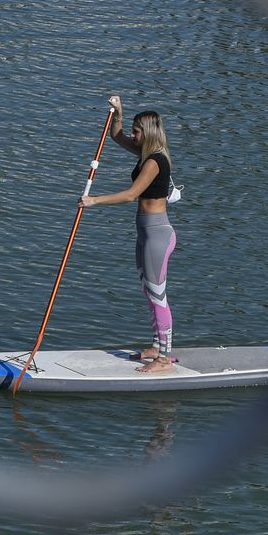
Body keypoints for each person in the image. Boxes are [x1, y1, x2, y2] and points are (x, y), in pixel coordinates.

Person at [80, 95, 178, 375]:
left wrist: (94, 201)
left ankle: (165, 358)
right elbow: (115, 135)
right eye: (133, 130)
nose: (133, 135)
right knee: (148, 290)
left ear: (149, 132)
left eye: (137, 131)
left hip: (158, 235)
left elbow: (132, 194)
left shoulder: (155, 161)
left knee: (159, 295)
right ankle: (157, 346)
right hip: (144, 233)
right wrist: (119, 113)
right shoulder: (145, 154)